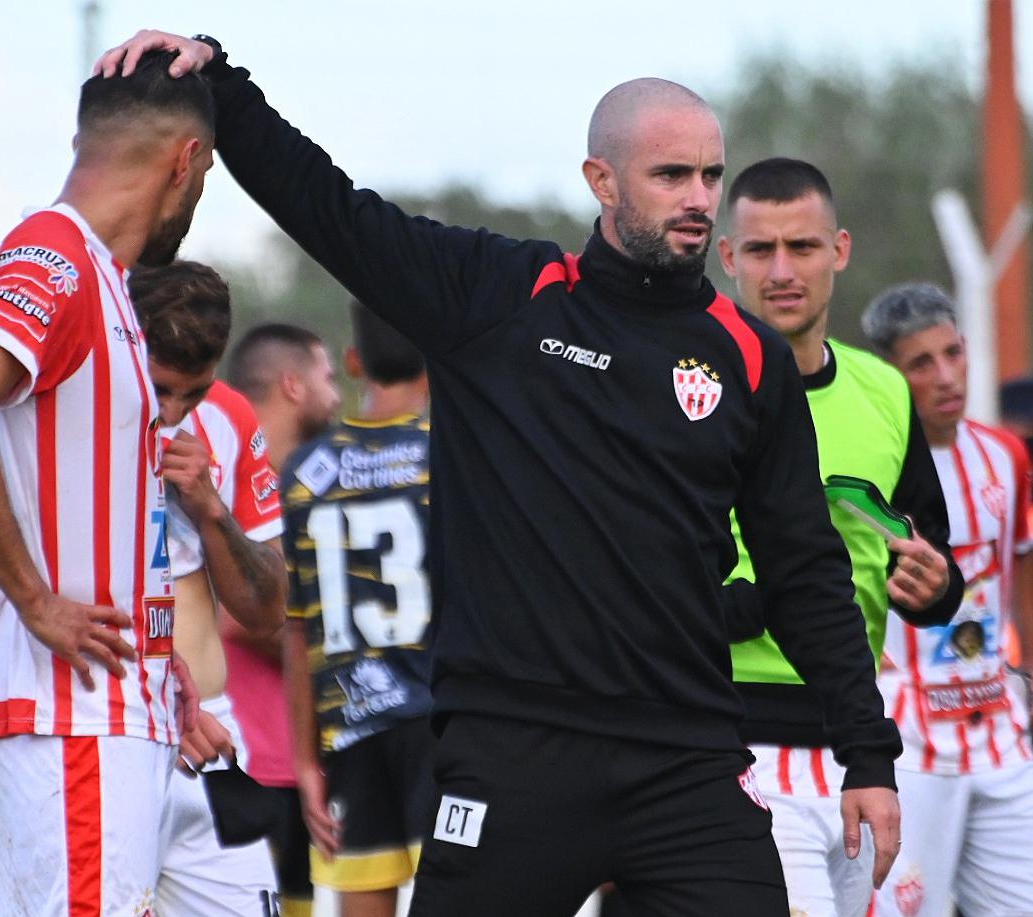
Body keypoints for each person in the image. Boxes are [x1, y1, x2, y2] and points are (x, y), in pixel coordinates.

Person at [97, 34, 902, 916]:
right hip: (513, 753)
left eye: (711, 176)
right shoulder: (502, 297)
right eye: (671, 176)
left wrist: (866, 754)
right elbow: (332, 211)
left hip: (688, 756)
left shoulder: (747, 357)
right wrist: (216, 80)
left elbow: (804, 568)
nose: (699, 200)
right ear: (601, 181)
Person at [0, 52, 206, 916]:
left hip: (106, 712)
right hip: (70, 718)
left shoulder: (102, 276)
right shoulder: (55, 253)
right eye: (207, 174)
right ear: (185, 161)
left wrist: (158, 664)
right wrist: (37, 601)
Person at [715, 159, 961, 917]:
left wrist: (934, 587)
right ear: (726, 257)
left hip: (858, 747)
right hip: (732, 741)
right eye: (760, 250)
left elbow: (930, 553)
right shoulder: (685, 389)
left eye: (803, 247)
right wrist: (763, 602)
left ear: (841, 250)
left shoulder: (884, 390)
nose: (782, 270)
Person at [862, 283, 1033, 917]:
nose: (946, 376)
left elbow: (1018, 571)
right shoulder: (867, 467)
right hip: (909, 742)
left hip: (1000, 733)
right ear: (888, 374)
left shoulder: (1006, 456)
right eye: (921, 363)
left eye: (953, 353)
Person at [128, 260, 289, 916]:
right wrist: (164, 697)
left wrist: (210, 509)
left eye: (190, 393)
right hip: (114, 735)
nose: (171, 413)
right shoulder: (73, 413)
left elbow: (266, 608)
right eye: (160, 389)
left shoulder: (227, 416)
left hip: (213, 746)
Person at [280, 300, 432, 917]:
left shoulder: (305, 473)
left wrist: (304, 761)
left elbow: (296, 631)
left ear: (352, 360)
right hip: (444, 728)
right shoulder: (453, 455)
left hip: (350, 734)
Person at [222, 322, 342, 917]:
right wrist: (335, 649)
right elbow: (240, 615)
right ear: (292, 386)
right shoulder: (221, 477)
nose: (337, 393)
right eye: (327, 377)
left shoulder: (318, 485)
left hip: (304, 766)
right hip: (245, 762)